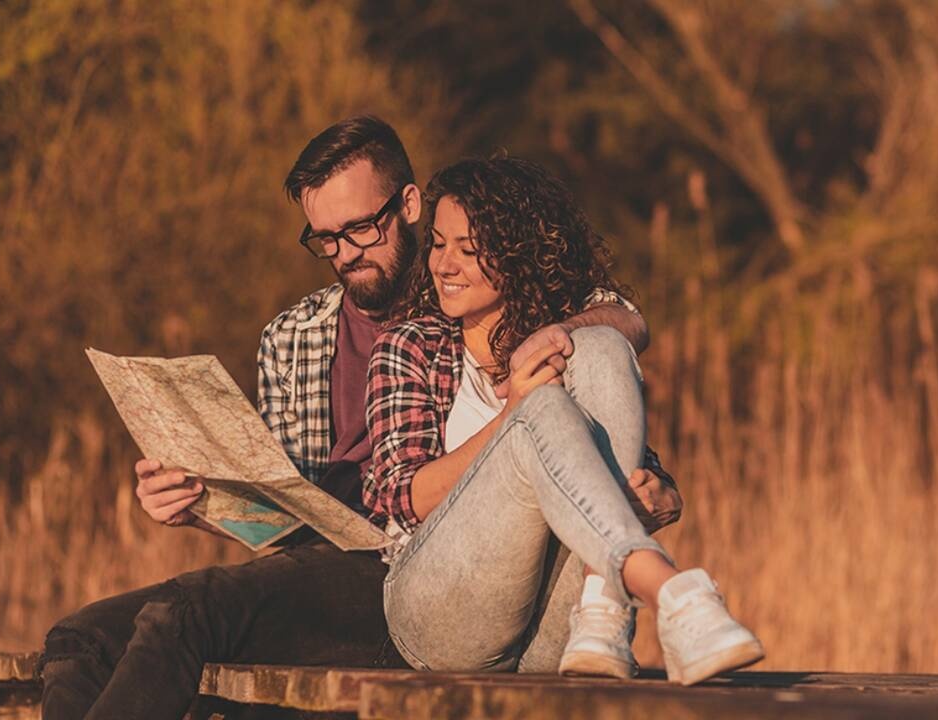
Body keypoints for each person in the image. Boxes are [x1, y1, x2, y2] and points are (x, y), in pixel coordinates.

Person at [38, 116, 681, 719]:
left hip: (398, 571)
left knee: (180, 617)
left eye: (359, 230)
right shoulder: (290, 338)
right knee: (77, 640)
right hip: (313, 565)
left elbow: (616, 320)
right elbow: (283, 522)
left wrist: (640, 475)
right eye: (325, 238)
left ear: (407, 206)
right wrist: (205, 502)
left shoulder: (471, 301)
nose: (345, 253)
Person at [365, 156, 764, 686]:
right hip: (440, 613)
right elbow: (403, 496)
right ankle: (667, 588)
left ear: (518, 255)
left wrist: (661, 493)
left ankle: (604, 599)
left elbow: (624, 330)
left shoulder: (567, 338)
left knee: (598, 345)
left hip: (561, 626)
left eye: (468, 249)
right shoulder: (409, 344)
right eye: (438, 244)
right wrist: (512, 416)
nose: (444, 265)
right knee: (543, 408)